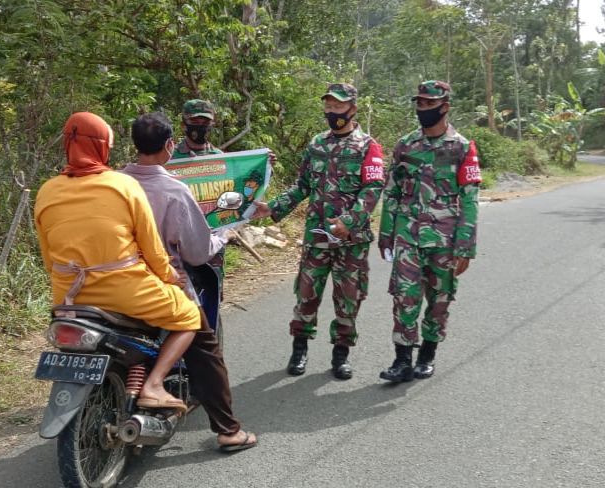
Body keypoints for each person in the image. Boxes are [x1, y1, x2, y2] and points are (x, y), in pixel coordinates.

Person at [34, 112, 200, 412]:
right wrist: (170, 277)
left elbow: (48, 256)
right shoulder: (122, 185)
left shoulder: (46, 190)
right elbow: (152, 249)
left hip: (67, 296)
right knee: (188, 316)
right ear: (103, 145)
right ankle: (154, 384)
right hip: (123, 291)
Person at [121, 112, 257, 452]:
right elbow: (197, 254)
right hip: (161, 284)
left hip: (110, 281)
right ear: (170, 145)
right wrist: (223, 234)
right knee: (205, 346)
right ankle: (228, 430)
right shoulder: (174, 190)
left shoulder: (114, 183)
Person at [251, 83, 385, 380]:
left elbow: (373, 188)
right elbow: (303, 186)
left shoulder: (368, 146)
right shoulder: (316, 144)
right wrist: (273, 207)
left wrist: (349, 222)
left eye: (338, 106)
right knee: (307, 295)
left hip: (351, 241)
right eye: (328, 106)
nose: (332, 111)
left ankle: (341, 354)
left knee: (348, 298)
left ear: (353, 108)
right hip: (317, 237)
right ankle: (299, 349)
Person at [378, 80, 481, 383]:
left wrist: (465, 247)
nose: (422, 109)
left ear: (444, 107)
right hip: (408, 234)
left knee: (439, 299)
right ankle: (402, 360)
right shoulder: (406, 144)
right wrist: (386, 233)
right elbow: (392, 192)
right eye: (419, 103)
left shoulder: (462, 147)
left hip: (445, 240)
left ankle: (427, 354)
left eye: (428, 104)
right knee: (404, 296)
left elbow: (470, 199)